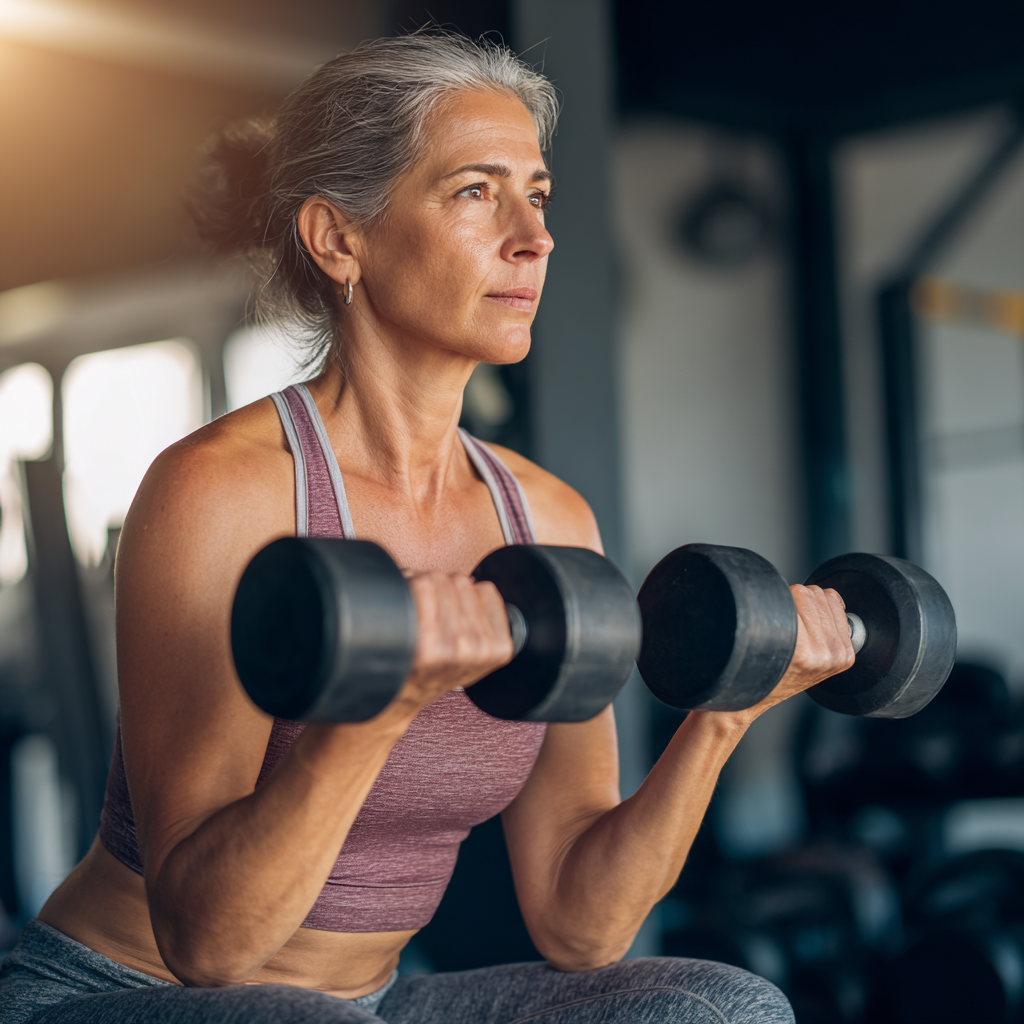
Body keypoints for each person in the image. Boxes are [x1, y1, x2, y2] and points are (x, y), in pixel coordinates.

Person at [0, 31, 855, 1024]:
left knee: (721, 1007)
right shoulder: (221, 493)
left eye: (535, 194)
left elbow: (581, 925)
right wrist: (377, 711)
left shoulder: (546, 518)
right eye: (474, 193)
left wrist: (725, 715)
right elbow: (210, 945)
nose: (532, 237)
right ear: (338, 240)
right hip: (119, 992)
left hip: (362, 1005)